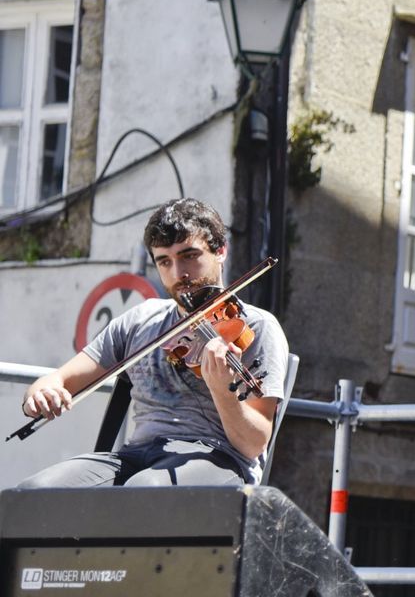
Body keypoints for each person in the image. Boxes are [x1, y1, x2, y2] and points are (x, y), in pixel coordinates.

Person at [18, 198, 288, 487]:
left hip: (219, 458)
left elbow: (254, 444)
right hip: (137, 456)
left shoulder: (255, 326)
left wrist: (223, 390)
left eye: (189, 256)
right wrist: (40, 393)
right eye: (164, 261)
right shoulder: (139, 320)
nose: (177, 273)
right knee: (33, 492)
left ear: (220, 251)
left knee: (145, 489)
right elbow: (60, 379)